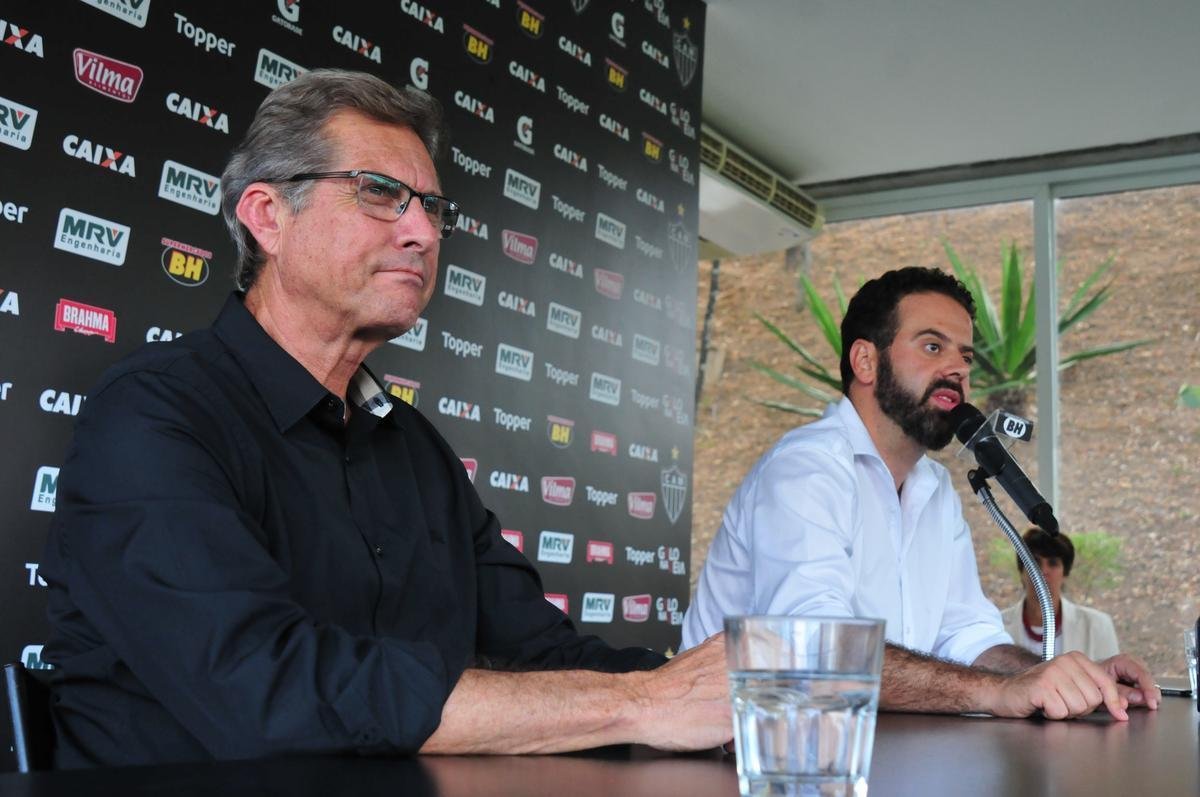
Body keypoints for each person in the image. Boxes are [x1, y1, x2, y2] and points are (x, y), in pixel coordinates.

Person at [39, 69, 730, 769]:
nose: (422, 232)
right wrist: (643, 702)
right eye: (378, 192)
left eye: (432, 207)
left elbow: (543, 653)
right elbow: (265, 687)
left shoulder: (416, 448)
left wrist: (726, 694)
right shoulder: (153, 414)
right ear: (268, 216)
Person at [682, 266, 1158, 721]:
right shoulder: (805, 469)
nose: (957, 369)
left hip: (873, 747)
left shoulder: (936, 488)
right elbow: (821, 651)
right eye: (933, 346)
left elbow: (965, 635)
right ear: (866, 361)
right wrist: (996, 692)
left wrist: (1065, 679)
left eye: (966, 357)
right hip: (739, 757)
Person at [1000, 528, 1120, 659]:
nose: (1043, 571)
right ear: (1021, 572)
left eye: (1053, 563)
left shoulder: (1097, 626)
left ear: (1065, 573)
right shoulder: (996, 626)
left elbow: (1110, 672)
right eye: (1035, 562)